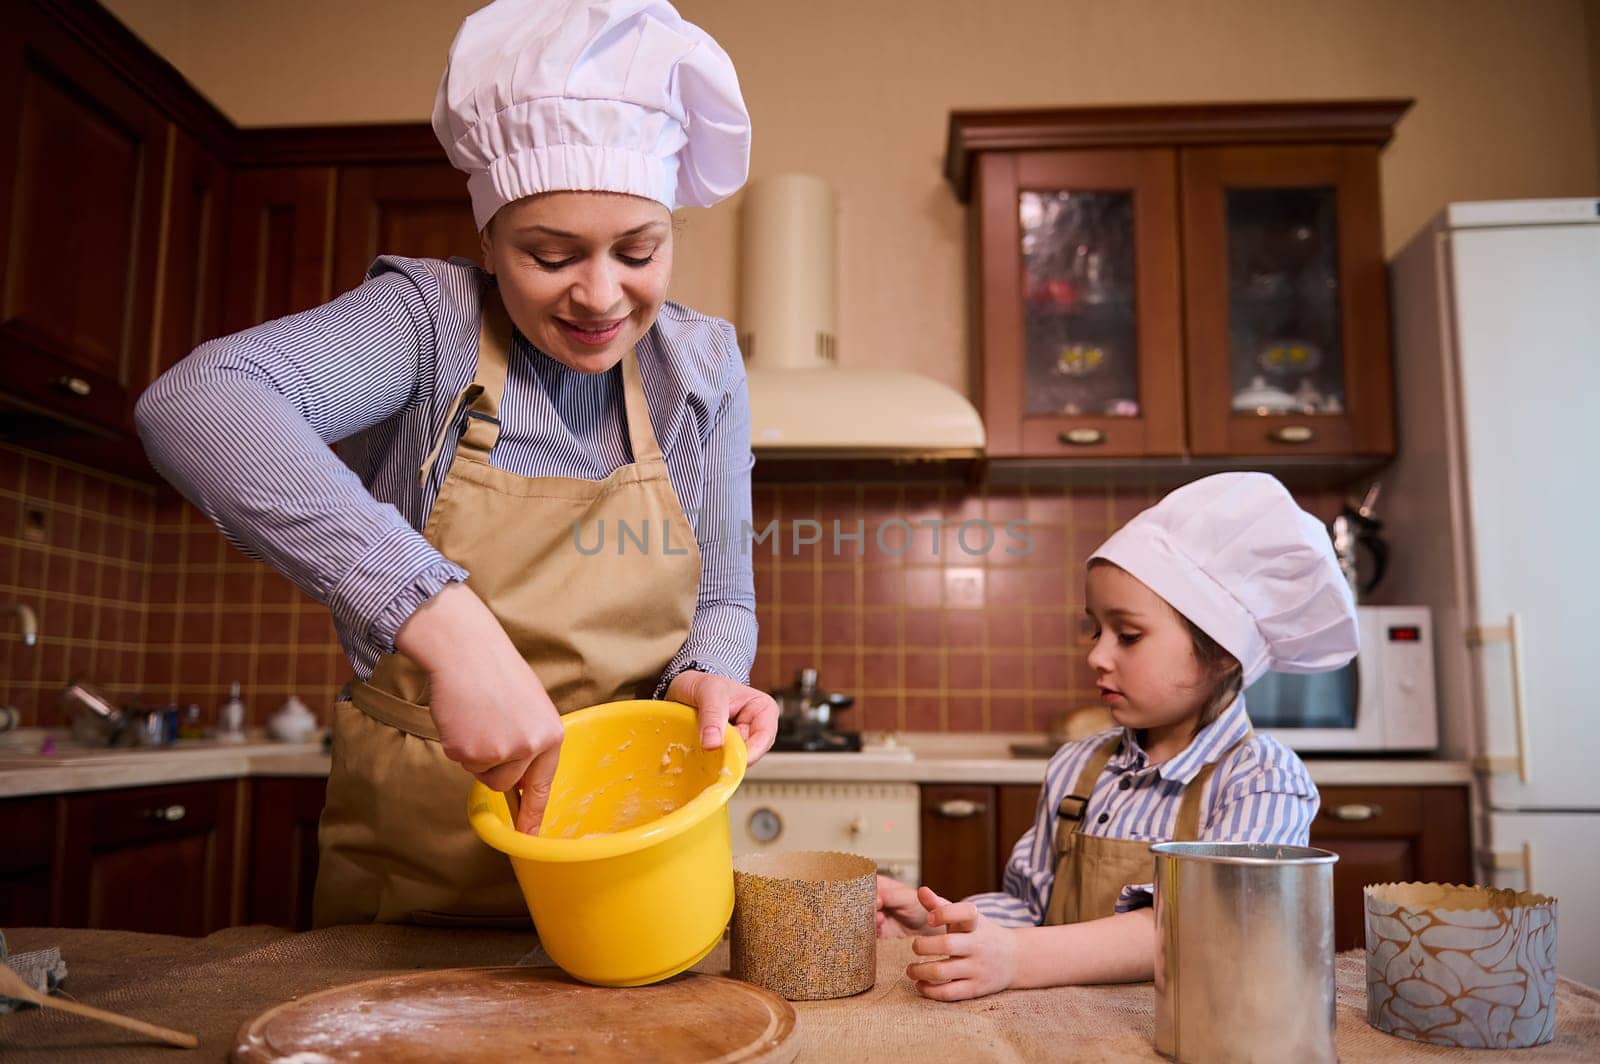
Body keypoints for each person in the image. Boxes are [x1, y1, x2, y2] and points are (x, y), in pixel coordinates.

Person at [135, 0, 777, 927]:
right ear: (487, 242)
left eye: (638, 251)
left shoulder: (702, 366)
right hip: (418, 853)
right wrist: (446, 622)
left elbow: (722, 594)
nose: (600, 295)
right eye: (550, 255)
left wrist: (705, 673)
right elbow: (196, 403)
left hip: (630, 847)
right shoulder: (428, 324)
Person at [875, 472, 1357, 1000]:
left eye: (1128, 635)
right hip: (1060, 1031)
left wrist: (1014, 959)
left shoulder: (1261, 780)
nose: (1096, 656)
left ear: (1221, 652)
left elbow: (1201, 931)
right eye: (1095, 630)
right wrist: (941, 924)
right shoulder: (1076, 767)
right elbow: (1031, 909)